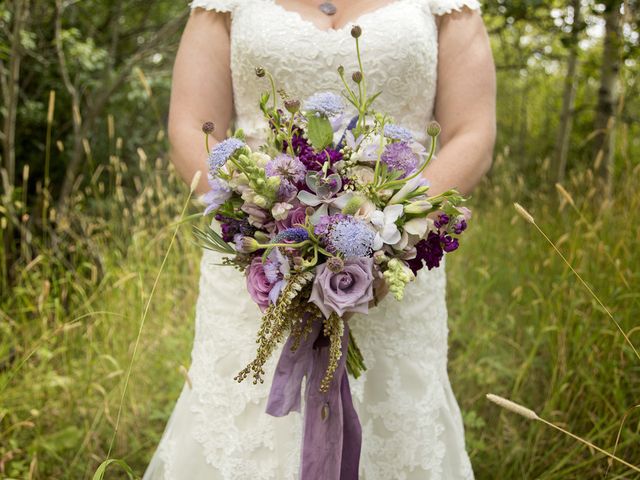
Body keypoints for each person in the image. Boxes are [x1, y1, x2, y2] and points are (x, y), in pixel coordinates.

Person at [143, 0, 496, 478]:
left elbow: (472, 132)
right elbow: (191, 126)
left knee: (393, 425)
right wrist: (262, 223)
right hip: (259, 260)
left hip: (397, 263)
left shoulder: (447, 6)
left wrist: (385, 229)